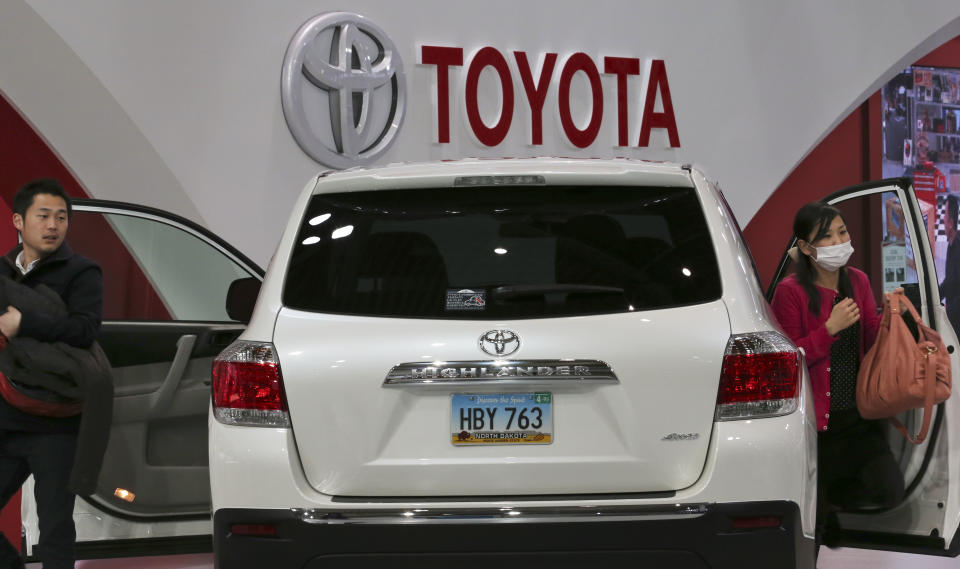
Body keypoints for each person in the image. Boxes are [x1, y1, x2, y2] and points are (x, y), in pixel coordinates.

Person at [770, 201, 904, 546]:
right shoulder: (790, 292)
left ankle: (827, 504)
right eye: (826, 236)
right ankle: (821, 511)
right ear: (805, 247)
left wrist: (892, 317)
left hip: (858, 418)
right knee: (814, 536)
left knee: (889, 491)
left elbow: (873, 339)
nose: (839, 241)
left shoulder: (857, 280)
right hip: (817, 427)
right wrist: (828, 329)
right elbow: (787, 361)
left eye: (842, 232)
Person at [0, 180, 103, 568]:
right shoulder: (4, 272)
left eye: (61, 217)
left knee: (55, 528)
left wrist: (24, 322)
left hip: (57, 420)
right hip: (9, 412)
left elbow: (84, 330)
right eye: (43, 216)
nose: (53, 225)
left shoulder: (82, 272)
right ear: (19, 221)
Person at [941, 194, 960, 335]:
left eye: (945, 216)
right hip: (953, 316)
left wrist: (949, 310)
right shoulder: (951, 244)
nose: (942, 220)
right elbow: (949, 281)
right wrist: (934, 297)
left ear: (951, 223)